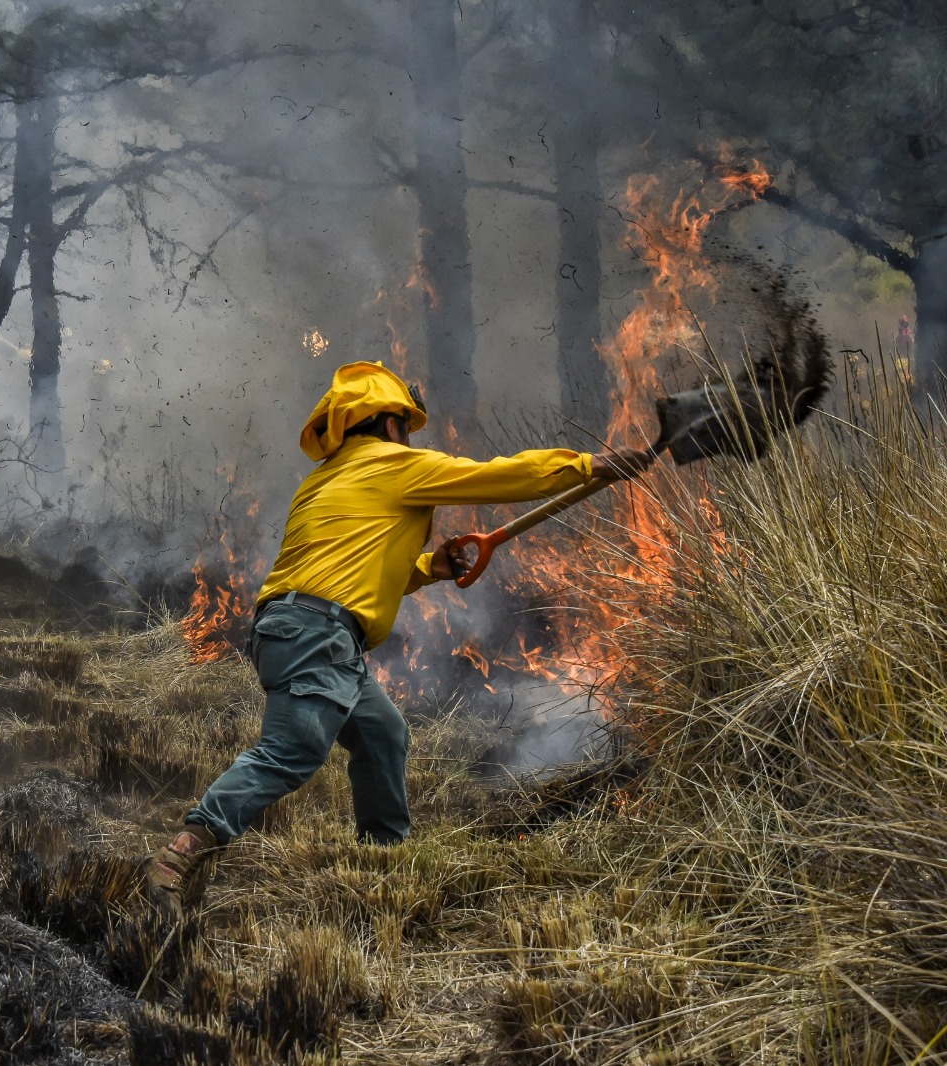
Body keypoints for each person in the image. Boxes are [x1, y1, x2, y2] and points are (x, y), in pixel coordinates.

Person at [143, 361, 655, 913]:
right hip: (319, 633)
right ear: (390, 424)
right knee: (293, 750)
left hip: (300, 628)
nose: (410, 438)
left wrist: (431, 566)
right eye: (406, 426)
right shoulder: (392, 464)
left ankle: (383, 859)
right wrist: (587, 464)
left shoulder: (326, 480)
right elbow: (497, 477)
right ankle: (182, 853)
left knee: (382, 732)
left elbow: (362, 568)